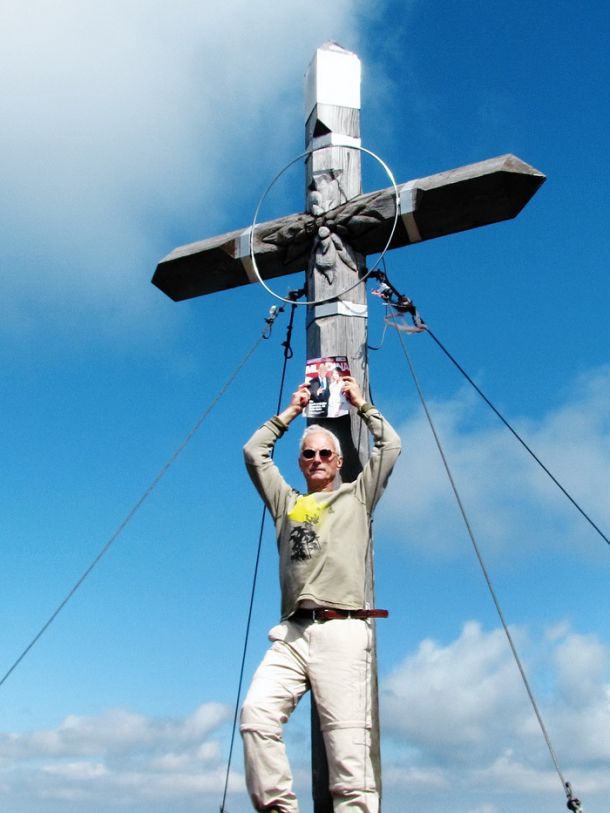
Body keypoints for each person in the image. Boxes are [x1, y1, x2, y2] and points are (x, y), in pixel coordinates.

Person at [240, 375, 401, 813]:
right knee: (256, 717)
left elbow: (391, 447)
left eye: (324, 453)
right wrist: (291, 413)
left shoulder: (357, 496)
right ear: (300, 462)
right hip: (292, 633)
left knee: (350, 759)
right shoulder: (286, 503)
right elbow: (255, 453)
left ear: (338, 459)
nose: (316, 459)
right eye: (308, 454)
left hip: (344, 629)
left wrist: (361, 403)